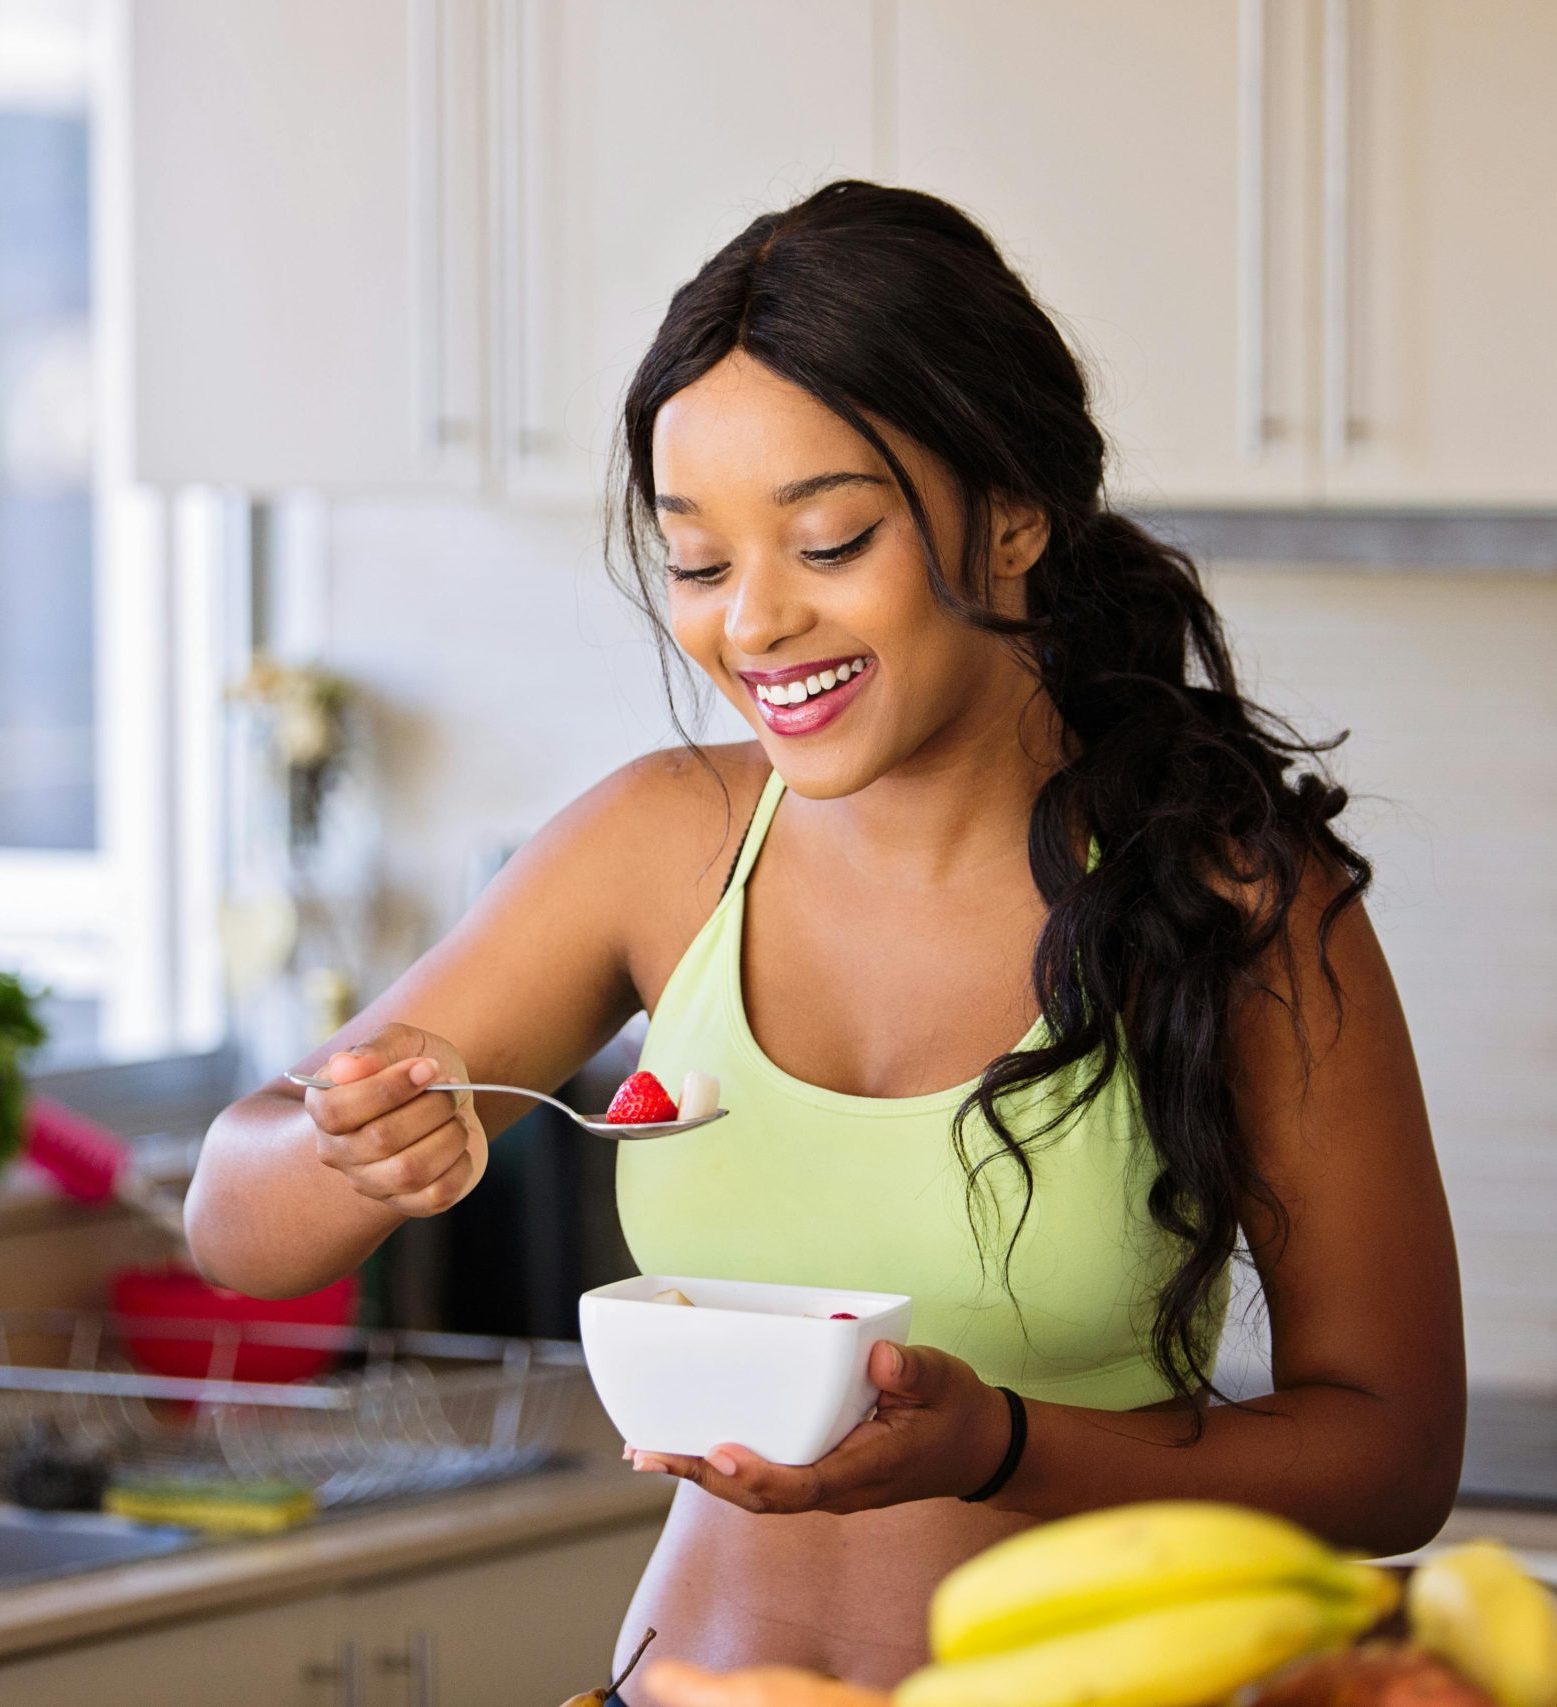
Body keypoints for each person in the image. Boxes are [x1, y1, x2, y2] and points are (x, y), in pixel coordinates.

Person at [185, 180, 1465, 1696]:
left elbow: (1391, 1455)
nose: (755, 626)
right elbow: (233, 1226)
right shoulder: (659, 845)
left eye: (830, 540)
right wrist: (345, 1150)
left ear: (1010, 522)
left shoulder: (1230, 897)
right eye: (701, 564)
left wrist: (998, 1445)